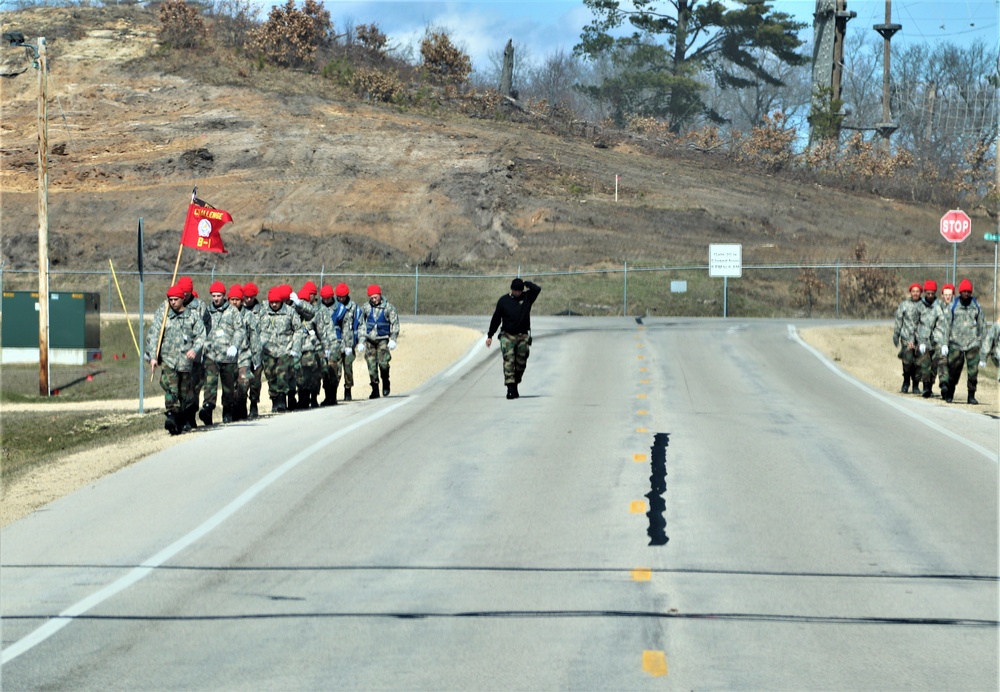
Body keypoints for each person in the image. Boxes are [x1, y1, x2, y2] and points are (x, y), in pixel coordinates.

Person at [146, 284, 206, 435]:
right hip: (169, 360)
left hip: (186, 361)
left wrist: (195, 349)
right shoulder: (164, 315)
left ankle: (183, 418)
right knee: (171, 389)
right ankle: (171, 416)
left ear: (182, 299)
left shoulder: (192, 316)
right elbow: (154, 336)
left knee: (184, 392)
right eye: (170, 299)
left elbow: (201, 335)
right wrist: (153, 357)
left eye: (175, 299)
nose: (172, 302)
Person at [486, 278, 541, 399]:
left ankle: (515, 383)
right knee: (509, 361)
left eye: (520, 290)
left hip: (523, 336)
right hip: (507, 336)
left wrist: (527, 284)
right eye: (515, 290)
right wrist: (490, 335)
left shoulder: (527, 298)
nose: (518, 293)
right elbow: (496, 319)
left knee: (521, 363)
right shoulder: (503, 301)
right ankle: (510, 389)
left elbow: (537, 289)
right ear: (511, 289)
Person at [199, 281, 245, 425]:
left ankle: (227, 410)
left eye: (218, 296)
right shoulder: (207, 312)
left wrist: (235, 345)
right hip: (211, 354)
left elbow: (240, 330)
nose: (216, 299)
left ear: (224, 296)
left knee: (228, 385)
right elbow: (200, 329)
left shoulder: (232, 311)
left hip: (228, 355)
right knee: (210, 383)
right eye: (214, 296)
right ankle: (208, 409)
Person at [259, 286, 303, 412]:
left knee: (282, 374)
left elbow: (298, 329)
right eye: (271, 302)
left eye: (276, 302)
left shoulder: (289, 312)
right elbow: (256, 328)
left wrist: (295, 347)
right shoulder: (263, 312)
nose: (274, 304)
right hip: (268, 349)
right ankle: (274, 399)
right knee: (270, 375)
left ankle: (282, 400)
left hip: (285, 349)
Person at [945, 278, 986, 404]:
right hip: (956, 343)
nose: (966, 294)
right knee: (953, 370)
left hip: (972, 343)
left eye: (968, 292)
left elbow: (982, 326)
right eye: (964, 291)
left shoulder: (976, 306)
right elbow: (946, 325)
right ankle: (950, 392)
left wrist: (983, 345)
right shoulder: (953, 305)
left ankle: (971, 395)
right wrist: (944, 344)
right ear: (960, 292)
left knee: (973, 371)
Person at [177, 275, 211, 428]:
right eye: (181, 293)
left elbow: (207, 326)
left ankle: (190, 416)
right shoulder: (173, 304)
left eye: (186, 293)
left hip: (195, 354)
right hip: (178, 353)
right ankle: (181, 416)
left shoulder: (199, 306)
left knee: (194, 386)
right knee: (180, 385)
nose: (183, 296)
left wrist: (202, 344)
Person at [357, 284, 400, 399]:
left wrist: (393, 339)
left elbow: (394, 323)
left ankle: (385, 381)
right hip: (370, 340)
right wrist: (361, 341)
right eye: (371, 298)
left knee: (383, 363)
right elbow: (361, 325)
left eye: (375, 297)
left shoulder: (389, 308)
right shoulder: (365, 308)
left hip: (383, 340)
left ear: (380, 295)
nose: (374, 300)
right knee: (371, 365)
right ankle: (374, 389)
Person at [915, 279, 950, 399]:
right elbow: (914, 324)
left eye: (932, 293)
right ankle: (926, 386)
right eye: (928, 293)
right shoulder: (919, 307)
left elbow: (944, 325)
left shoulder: (940, 307)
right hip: (923, 339)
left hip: (937, 339)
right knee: (926, 363)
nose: (930, 296)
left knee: (941, 360)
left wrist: (944, 343)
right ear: (925, 293)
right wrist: (919, 341)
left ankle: (944, 383)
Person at [317, 284, 351, 406]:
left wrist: (348, 344)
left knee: (334, 370)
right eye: (324, 299)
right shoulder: (318, 308)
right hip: (322, 344)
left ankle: (333, 396)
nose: (326, 301)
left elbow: (346, 328)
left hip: (336, 344)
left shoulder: (341, 309)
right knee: (324, 371)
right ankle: (327, 396)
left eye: (328, 298)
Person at [892, 282, 922, 393]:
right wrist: (896, 334)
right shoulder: (904, 305)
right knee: (908, 361)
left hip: (920, 339)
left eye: (917, 291)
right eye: (913, 291)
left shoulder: (924, 306)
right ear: (910, 292)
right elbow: (899, 321)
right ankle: (906, 382)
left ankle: (916, 385)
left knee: (918, 363)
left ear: (920, 293)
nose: (915, 293)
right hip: (906, 338)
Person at [241, 282, 265, 419]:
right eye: (246, 297)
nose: (248, 299)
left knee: (256, 380)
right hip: (243, 352)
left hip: (257, 352)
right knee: (242, 381)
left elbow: (265, 330)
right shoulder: (238, 310)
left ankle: (254, 404)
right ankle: (241, 405)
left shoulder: (261, 311)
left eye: (251, 297)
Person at [334, 282, 359, 401]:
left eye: (343, 296)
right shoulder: (334, 307)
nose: (341, 299)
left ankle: (348, 390)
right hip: (337, 344)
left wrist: (359, 341)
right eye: (339, 296)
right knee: (336, 370)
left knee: (348, 368)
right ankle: (332, 393)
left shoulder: (353, 307)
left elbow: (359, 324)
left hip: (349, 343)